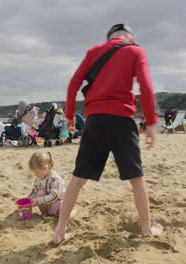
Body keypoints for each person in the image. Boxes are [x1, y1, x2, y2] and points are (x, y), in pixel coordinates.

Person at [53, 23, 163, 245]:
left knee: (77, 178)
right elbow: (146, 86)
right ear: (129, 37)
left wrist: (70, 116)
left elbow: (74, 84)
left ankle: (59, 230)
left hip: (94, 121)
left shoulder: (94, 52)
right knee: (136, 178)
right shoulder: (135, 50)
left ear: (109, 38)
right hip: (122, 120)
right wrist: (150, 123)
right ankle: (146, 228)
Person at [27, 152, 77, 218]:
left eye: (37, 172)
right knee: (40, 192)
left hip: (58, 204)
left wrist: (38, 200)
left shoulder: (55, 179)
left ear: (44, 168)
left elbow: (54, 196)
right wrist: (26, 204)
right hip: (47, 206)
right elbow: (34, 192)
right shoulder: (38, 179)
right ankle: (45, 214)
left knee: (68, 216)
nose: (35, 175)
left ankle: (73, 209)